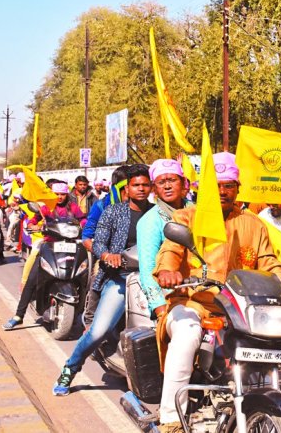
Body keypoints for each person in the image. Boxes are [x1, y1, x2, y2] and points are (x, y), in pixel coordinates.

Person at [153, 152, 281, 432]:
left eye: (228, 185)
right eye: (215, 186)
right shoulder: (187, 217)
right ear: (202, 189)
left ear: (237, 189)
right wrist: (168, 272)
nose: (222, 191)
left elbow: (268, 261)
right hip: (193, 303)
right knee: (186, 335)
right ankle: (171, 417)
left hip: (240, 308)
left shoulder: (253, 223)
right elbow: (171, 250)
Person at [52, 164, 152, 396]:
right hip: (120, 279)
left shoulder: (157, 214)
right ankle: (70, 368)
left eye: (145, 185)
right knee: (98, 331)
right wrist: (107, 255)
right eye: (136, 185)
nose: (141, 189)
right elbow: (97, 241)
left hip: (151, 281)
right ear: (127, 188)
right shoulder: (112, 211)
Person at [3, 183, 86, 330]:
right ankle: (19, 315)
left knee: (83, 276)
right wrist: (33, 225)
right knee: (31, 279)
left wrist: (83, 224)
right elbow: (33, 220)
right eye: (57, 194)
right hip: (49, 245)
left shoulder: (73, 207)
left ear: (67, 195)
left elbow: (83, 219)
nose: (59, 197)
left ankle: (82, 314)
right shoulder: (47, 207)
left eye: (62, 194)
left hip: (71, 245)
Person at [137, 159, 192, 319]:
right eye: (161, 182)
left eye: (172, 180)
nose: (167, 186)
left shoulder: (196, 211)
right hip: (170, 297)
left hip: (201, 291)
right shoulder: (150, 221)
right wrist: (160, 309)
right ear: (154, 188)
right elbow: (148, 270)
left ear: (183, 183)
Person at [81, 166, 129, 329]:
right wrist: (105, 255)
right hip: (108, 260)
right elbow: (87, 238)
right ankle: (90, 324)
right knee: (98, 278)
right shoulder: (101, 206)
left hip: (136, 262)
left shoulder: (145, 207)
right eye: (128, 187)